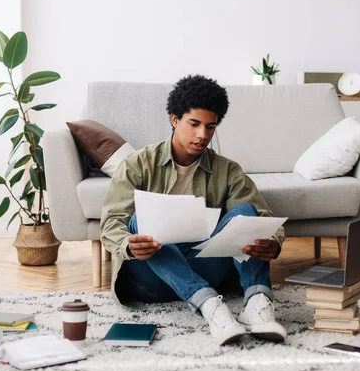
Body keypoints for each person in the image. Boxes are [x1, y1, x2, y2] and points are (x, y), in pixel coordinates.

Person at [100, 75, 286, 345]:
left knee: (245, 211)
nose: (203, 135)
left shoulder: (228, 170)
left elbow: (262, 216)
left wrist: (272, 242)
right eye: (194, 124)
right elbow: (111, 224)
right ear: (174, 119)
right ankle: (210, 306)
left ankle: (257, 306)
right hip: (152, 278)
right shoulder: (137, 165)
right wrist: (128, 244)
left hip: (205, 267)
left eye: (210, 127)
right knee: (142, 221)